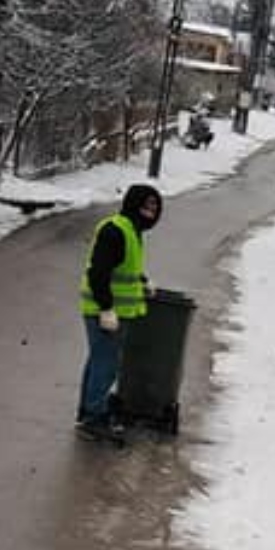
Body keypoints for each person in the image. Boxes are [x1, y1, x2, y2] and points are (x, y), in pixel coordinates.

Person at [76, 182, 163, 444]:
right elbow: (98, 272)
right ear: (134, 204)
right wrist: (106, 309)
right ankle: (93, 418)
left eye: (156, 208)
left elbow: (124, 267)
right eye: (147, 206)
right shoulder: (115, 230)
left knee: (99, 361)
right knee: (106, 364)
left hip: (113, 311)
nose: (152, 212)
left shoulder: (132, 230)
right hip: (103, 310)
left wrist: (142, 280)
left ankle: (90, 411)